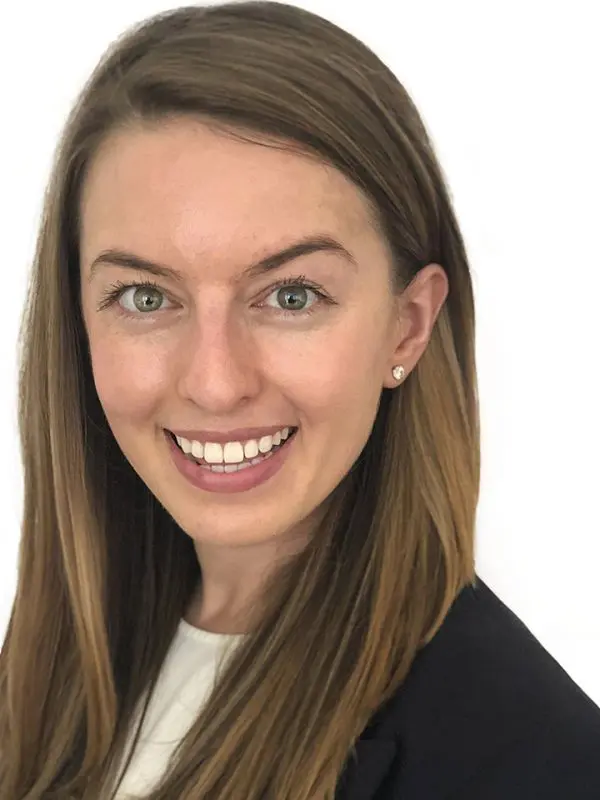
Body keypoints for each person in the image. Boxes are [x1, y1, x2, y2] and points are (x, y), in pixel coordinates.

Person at [0, 1, 598, 798]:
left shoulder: (536, 765)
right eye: (146, 297)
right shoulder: (54, 665)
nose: (215, 382)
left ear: (407, 326)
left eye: (291, 296)